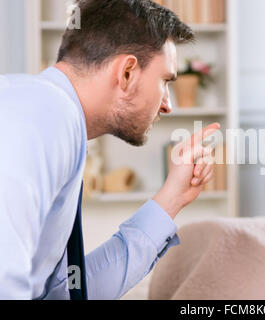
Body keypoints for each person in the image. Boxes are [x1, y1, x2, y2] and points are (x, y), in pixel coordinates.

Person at [0, 0, 219, 299]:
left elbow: (65, 292)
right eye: (164, 81)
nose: (168, 104)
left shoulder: (53, 119)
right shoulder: (44, 116)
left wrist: (173, 196)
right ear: (127, 72)